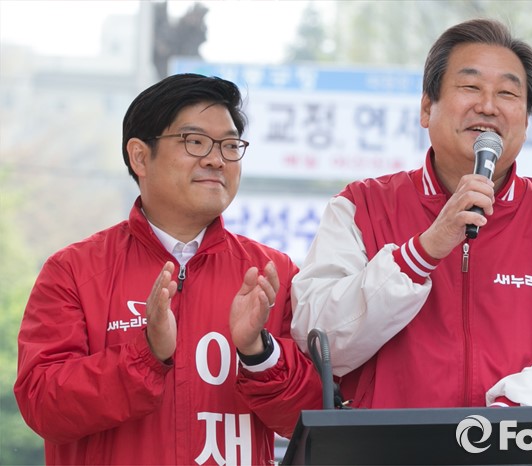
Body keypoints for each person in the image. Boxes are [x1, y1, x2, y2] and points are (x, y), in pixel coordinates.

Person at [291, 18, 532, 409]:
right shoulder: (360, 207)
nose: (488, 106)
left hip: (513, 438)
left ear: (526, 122)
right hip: (387, 440)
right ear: (426, 108)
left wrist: (505, 421)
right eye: (470, 87)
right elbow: (321, 340)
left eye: (507, 93)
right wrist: (422, 253)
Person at [14, 73, 322, 465]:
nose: (216, 159)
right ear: (140, 156)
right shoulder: (73, 271)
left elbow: (312, 417)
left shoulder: (271, 276)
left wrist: (258, 352)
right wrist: (147, 354)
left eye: (230, 146)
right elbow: (43, 405)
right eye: (195, 141)